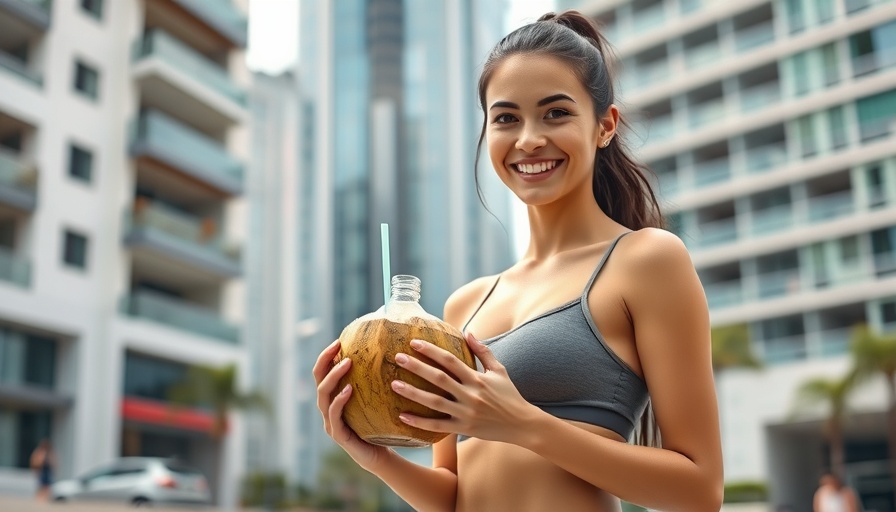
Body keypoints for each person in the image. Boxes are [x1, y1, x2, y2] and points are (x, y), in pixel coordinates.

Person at [315, 10, 723, 512]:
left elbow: (700, 491)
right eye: (506, 118)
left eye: (556, 113)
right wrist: (371, 454)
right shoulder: (465, 303)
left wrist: (523, 424)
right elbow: (452, 495)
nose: (529, 138)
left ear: (605, 126)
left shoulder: (646, 259)